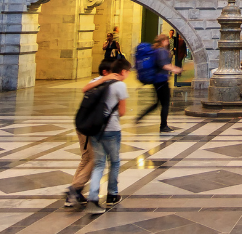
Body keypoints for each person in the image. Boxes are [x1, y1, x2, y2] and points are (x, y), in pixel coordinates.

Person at [66, 59, 119, 209]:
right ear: (105, 72)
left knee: (87, 158)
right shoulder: (103, 82)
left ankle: (73, 194)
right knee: (95, 159)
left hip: (82, 124)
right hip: (90, 127)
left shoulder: (98, 81)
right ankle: (74, 188)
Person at [87, 55, 131, 214]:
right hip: (112, 129)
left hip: (95, 128)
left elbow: (84, 89)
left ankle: (93, 197)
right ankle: (112, 194)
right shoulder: (120, 86)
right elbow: (122, 111)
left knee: (99, 164)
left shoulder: (98, 80)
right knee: (114, 161)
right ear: (124, 71)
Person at [134, 35, 182, 132]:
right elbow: (164, 65)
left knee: (156, 103)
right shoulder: (161, 51)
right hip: (162, 81)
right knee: (165, 104)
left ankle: (140, 116)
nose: (168, 42)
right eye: (167, 40)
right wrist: (175, 69)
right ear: (164, 41)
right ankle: (163, 126)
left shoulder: (155, 50)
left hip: (156, 81)